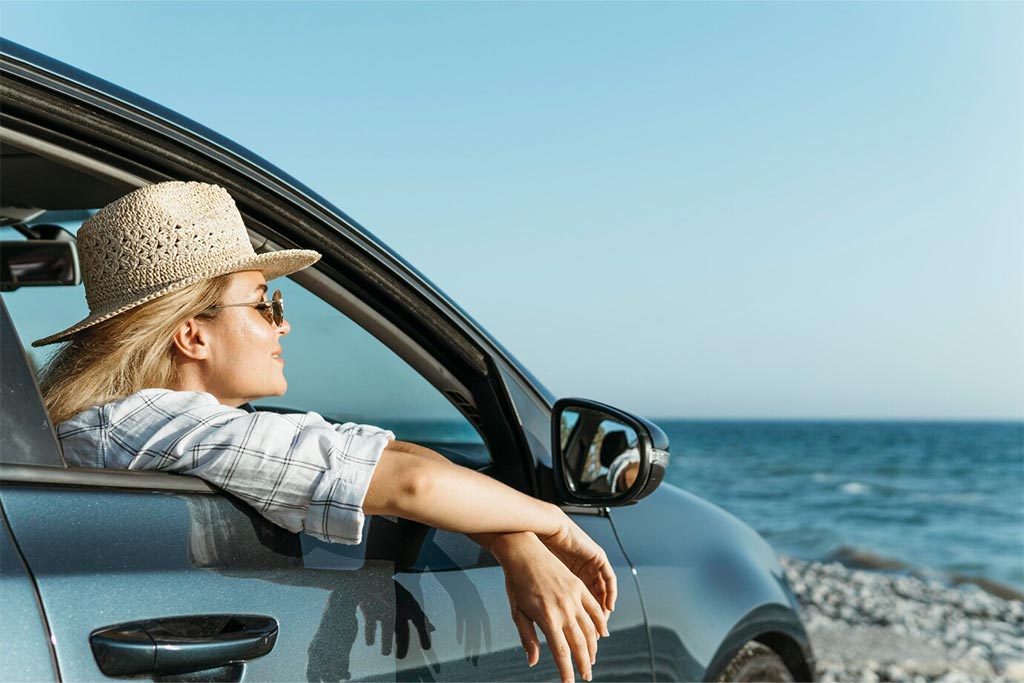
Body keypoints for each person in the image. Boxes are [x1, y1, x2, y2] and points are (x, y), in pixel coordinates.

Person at [34, 181, 615, 683]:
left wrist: (507, 536)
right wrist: (554, 523)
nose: (282, 326)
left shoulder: (141, 424)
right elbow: (408, 483)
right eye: (265, 304)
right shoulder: (162, 424)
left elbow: (376, 456)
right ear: (193, 336)